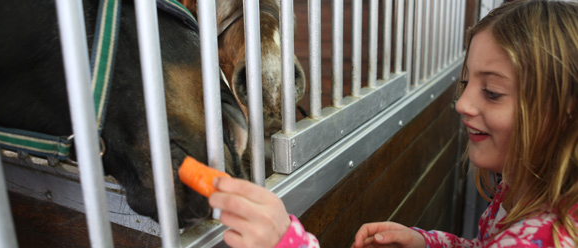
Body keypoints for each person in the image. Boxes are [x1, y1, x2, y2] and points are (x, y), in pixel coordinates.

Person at [208, 0, 578, 247]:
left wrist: (287, 241)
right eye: (465, 83)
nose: (462, 103)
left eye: (493, 92)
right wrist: (429, 243)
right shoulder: (528, 190)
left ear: (565, 109)